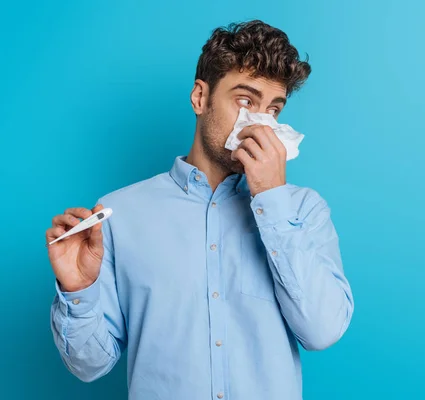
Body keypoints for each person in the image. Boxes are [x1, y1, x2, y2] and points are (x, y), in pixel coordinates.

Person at [46, 20, 354, 400]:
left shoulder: (304, 211)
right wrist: (79, 290)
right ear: (199, 98)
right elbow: (89, 365)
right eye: (245, 101)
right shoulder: (117, 215)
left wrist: (272, 200)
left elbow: (322, 331)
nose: (259, 123)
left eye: (272, 109)